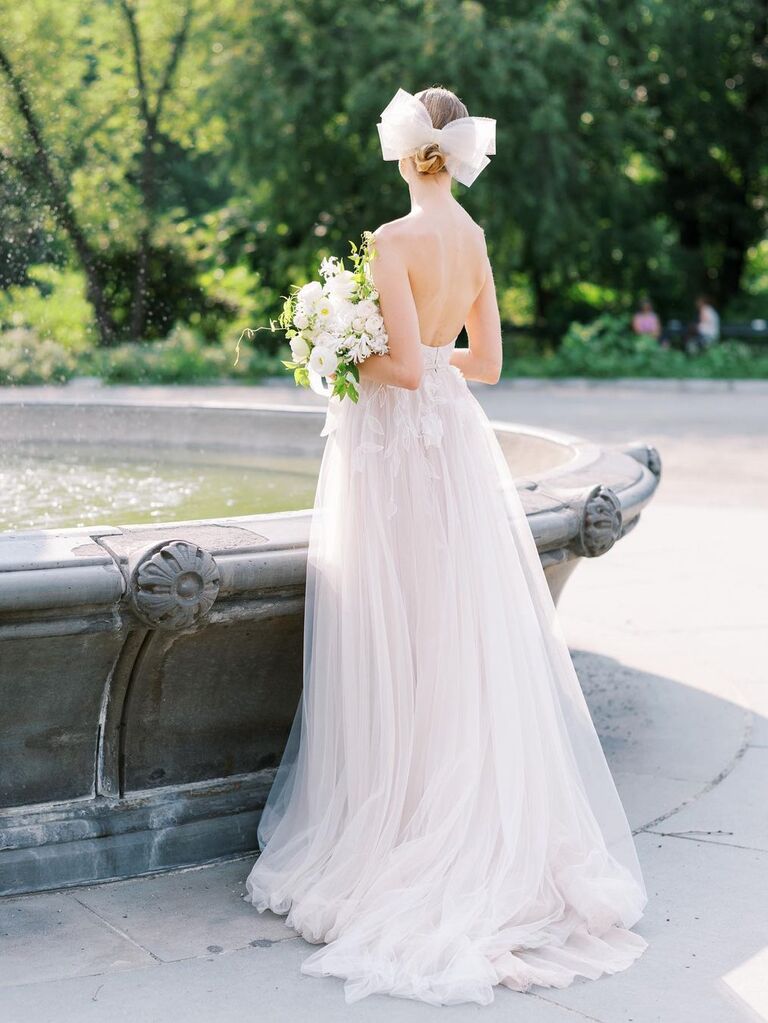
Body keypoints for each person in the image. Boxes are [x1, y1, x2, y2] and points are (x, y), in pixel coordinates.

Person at [242, 86, 648, 1006]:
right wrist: (413, 342)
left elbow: (405, 366)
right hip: (454, 445)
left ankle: (398, 827)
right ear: (455, 152)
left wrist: (334, 344)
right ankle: (461, 809)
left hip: (390, 447)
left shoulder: (391, 241)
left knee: (393, 626)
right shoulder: (470, 240)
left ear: (404, 149)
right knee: (453, 624)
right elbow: (485, 363)